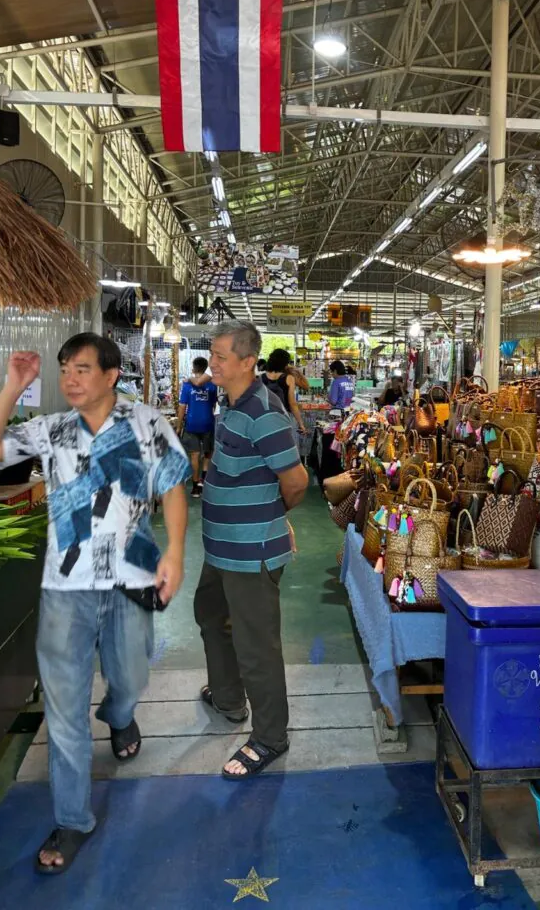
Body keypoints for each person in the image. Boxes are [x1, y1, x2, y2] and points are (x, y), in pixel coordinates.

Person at [0, 334, 190, 874]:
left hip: (130, 579)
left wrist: (174, 550)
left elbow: (171, 487)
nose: (69, 379)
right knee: (64, 713)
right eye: (63, 370)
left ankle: (120, 715)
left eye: (81, 369)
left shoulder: (147, 423)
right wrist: (13, 386)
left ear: (111, 374)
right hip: (64, 590)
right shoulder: (52, 428)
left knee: (130, 677)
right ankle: (73, 820)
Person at [194, 323, 308, 779]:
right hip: (220, 550)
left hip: (251, 552)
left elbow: (296, 482)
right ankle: (227, 697)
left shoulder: (265, 412)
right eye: (212, 355)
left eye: (220, 356)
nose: (213, 363)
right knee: (209, 617)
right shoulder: (231, 404)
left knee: (256, 645)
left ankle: (269, 737)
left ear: (246, 362)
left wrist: (271, 517)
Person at [178, 357, 219, 498]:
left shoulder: (187, 385)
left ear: (194, 368)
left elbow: (182, 407)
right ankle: (204, 481)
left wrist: (178, 426)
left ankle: (195, 487)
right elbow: (214, 405)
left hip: (192, 423)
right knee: (207, 453)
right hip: (208, 422)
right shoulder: (212, 385)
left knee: (194, 455)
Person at [260, 348, 306, 435]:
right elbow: (292, 403)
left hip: (263, 420)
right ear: (284, 363)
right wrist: (301, 423)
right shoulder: (289, 378)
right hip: (282, 420)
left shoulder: (260, 378)